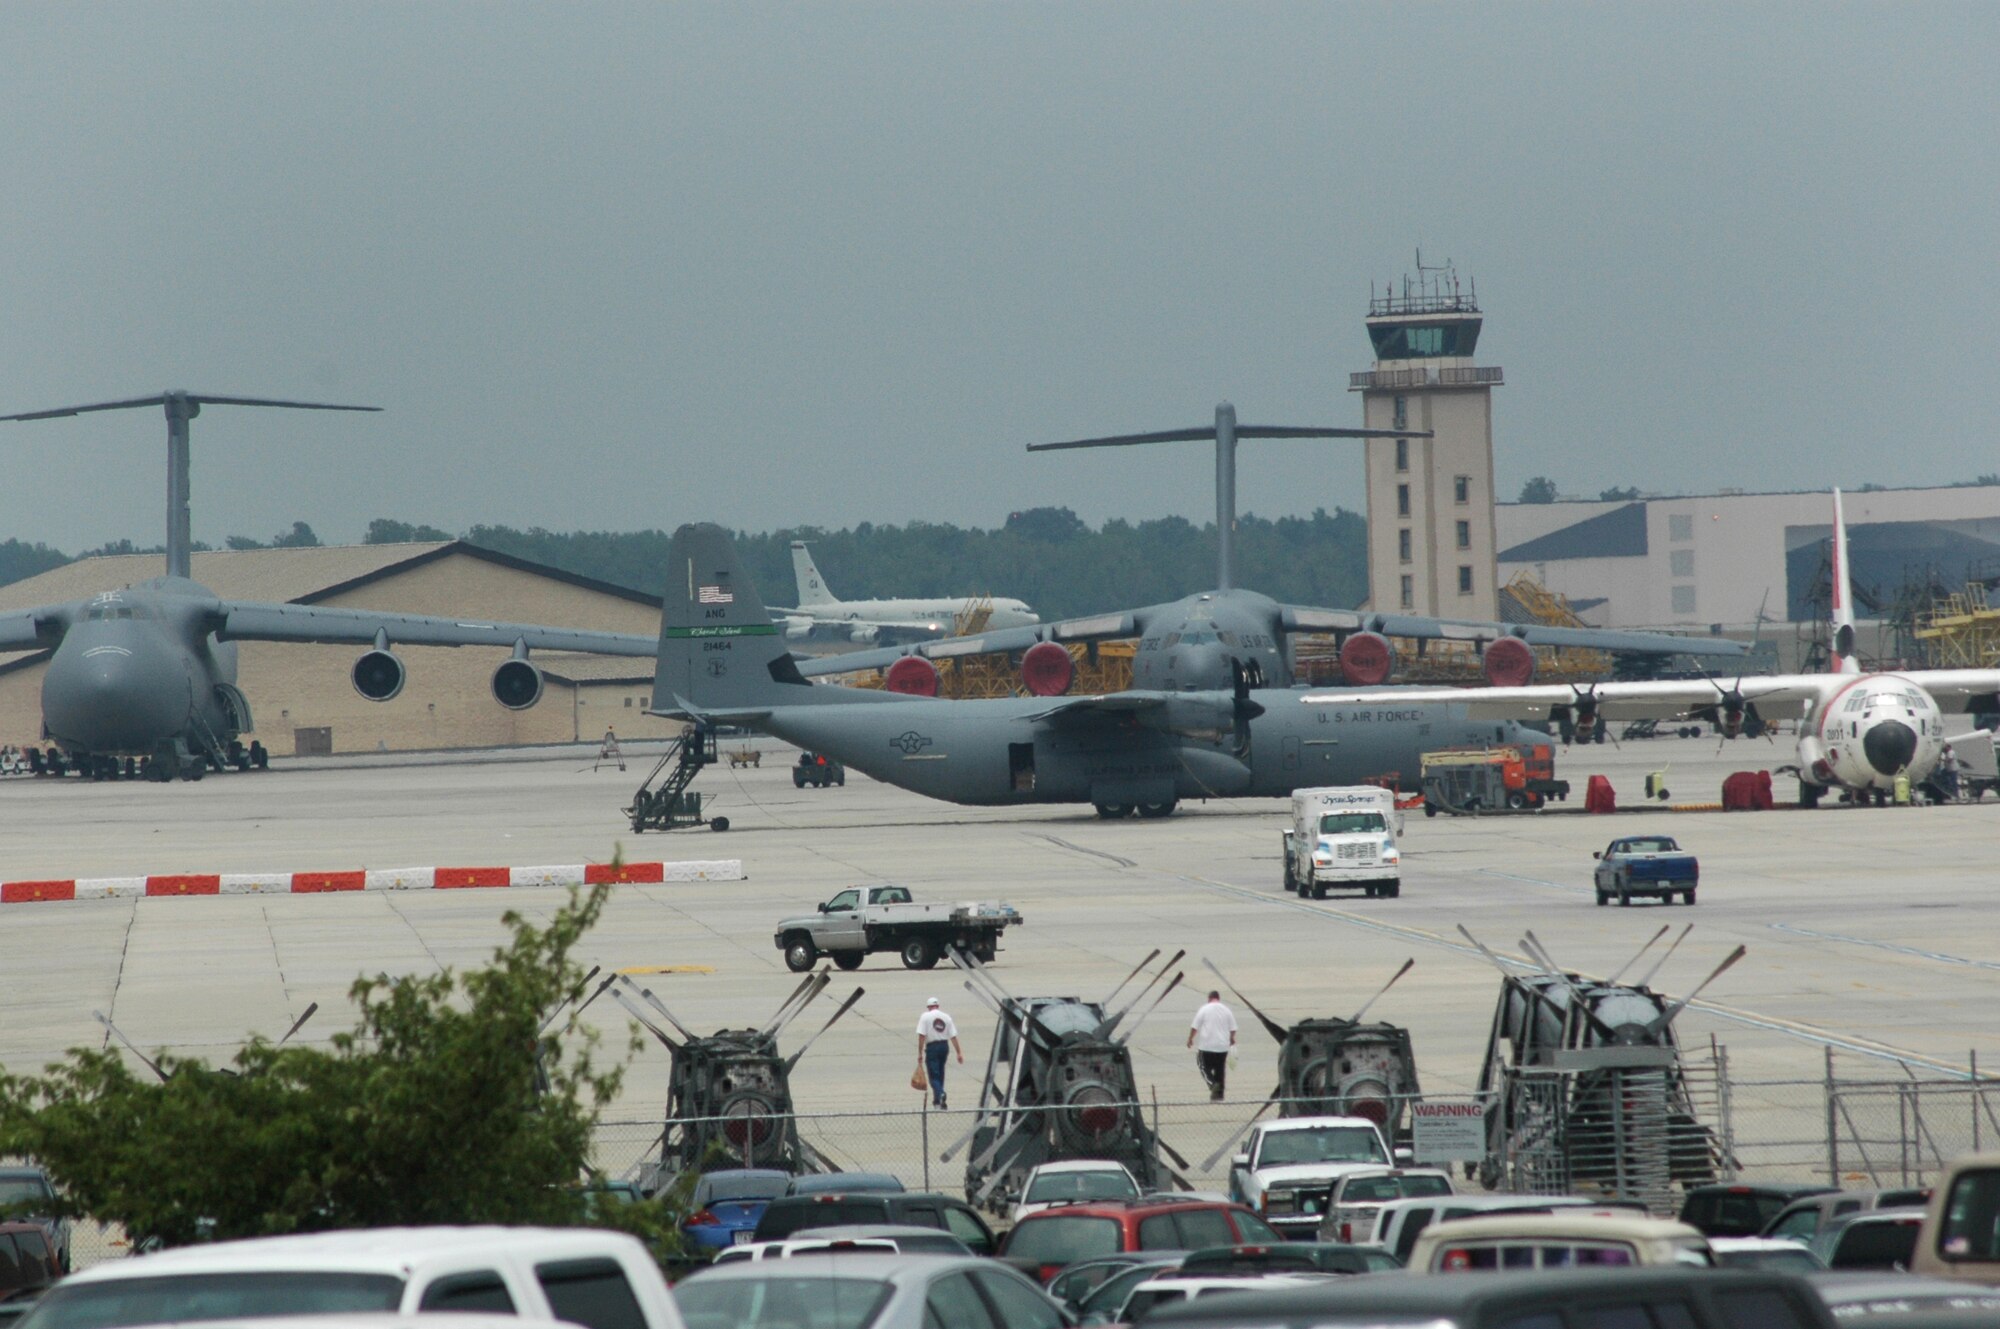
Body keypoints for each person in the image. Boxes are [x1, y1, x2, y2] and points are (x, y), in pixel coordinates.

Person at [1188, 990, 1237, 1101]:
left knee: (1203, 1066)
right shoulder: (1226, 1010)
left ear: (1209, 998)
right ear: (1218, 998)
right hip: (1222, 1047)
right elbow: (1233, 1028)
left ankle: (1212, 1084)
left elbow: (1195, 1026)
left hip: (1206, 1046)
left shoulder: (1204, 1009)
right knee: (1220, 1070)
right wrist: (1231, 1038)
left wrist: (1190, 1039)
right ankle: (1219, 1095)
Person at [915, 997, 963, 1109]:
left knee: (933, 1076)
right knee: (941, 1073)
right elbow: (953, 1036)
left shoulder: (925, 1016)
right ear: (938, 1006)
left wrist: (920, 1053)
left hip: (932, 1047)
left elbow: (922, 1035)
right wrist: (959, 1052)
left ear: (928, 1007)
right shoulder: (946, 1017)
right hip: (944, 1046)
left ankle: (941, 1093)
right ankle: (938, 1102)